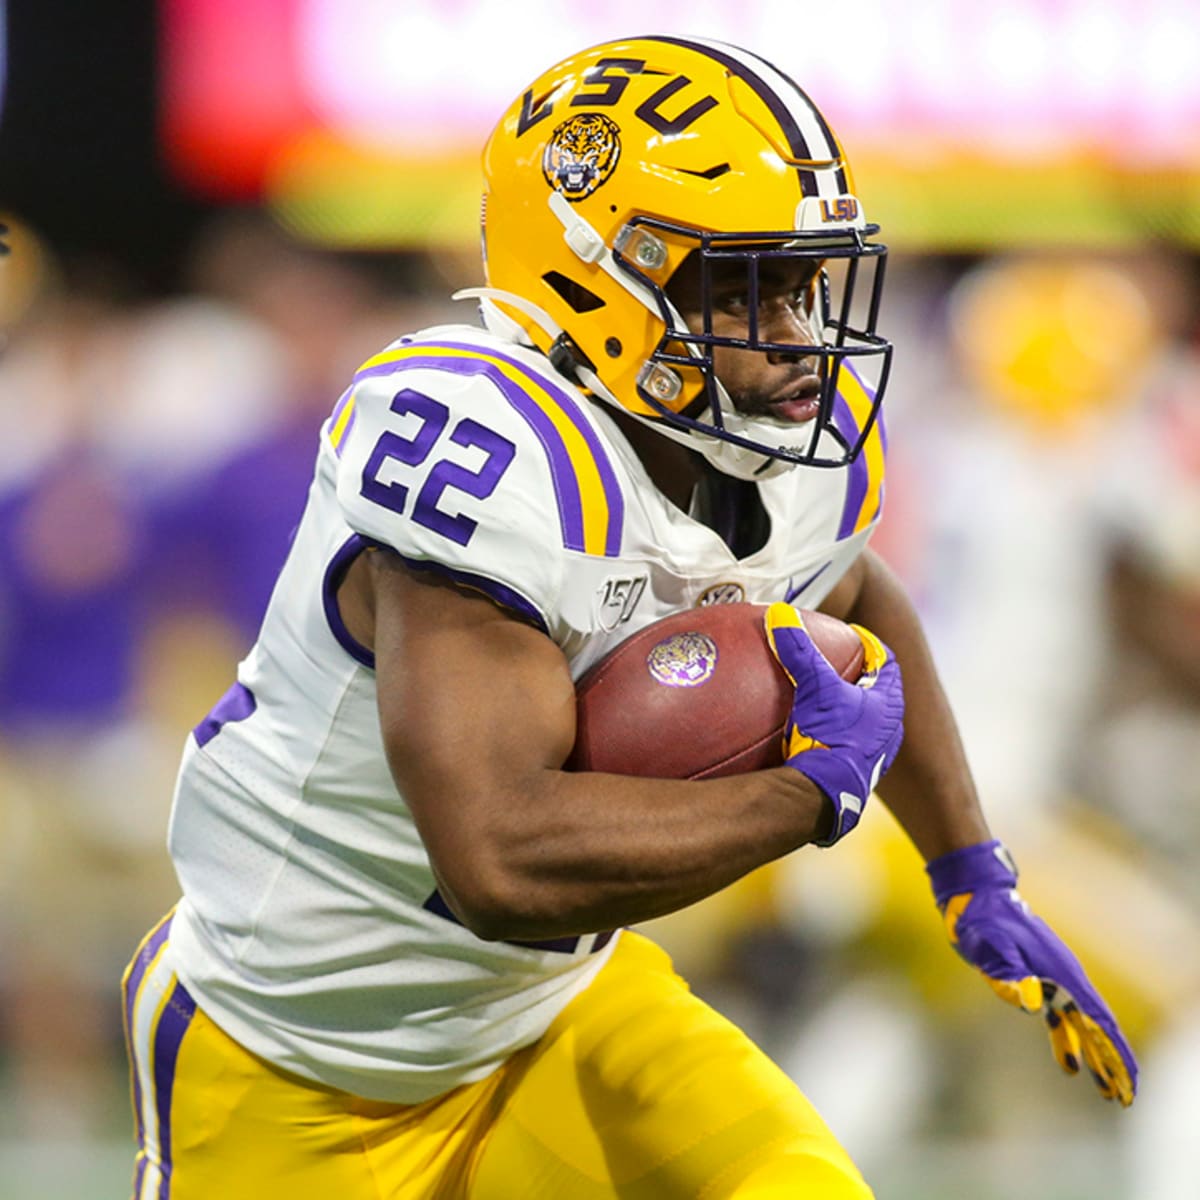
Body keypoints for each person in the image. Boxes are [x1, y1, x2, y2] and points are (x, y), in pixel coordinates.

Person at [121, 35, 1137, 1199]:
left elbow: (854, 591)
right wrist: (803, 798)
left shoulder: (787, 444)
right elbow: (498, 855)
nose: (797, 333)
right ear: (594, 275)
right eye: (741, 286)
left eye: (802, 282)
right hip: (295, 1059)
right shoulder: (491, 453)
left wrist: (967, 865)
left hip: (548, 1017)